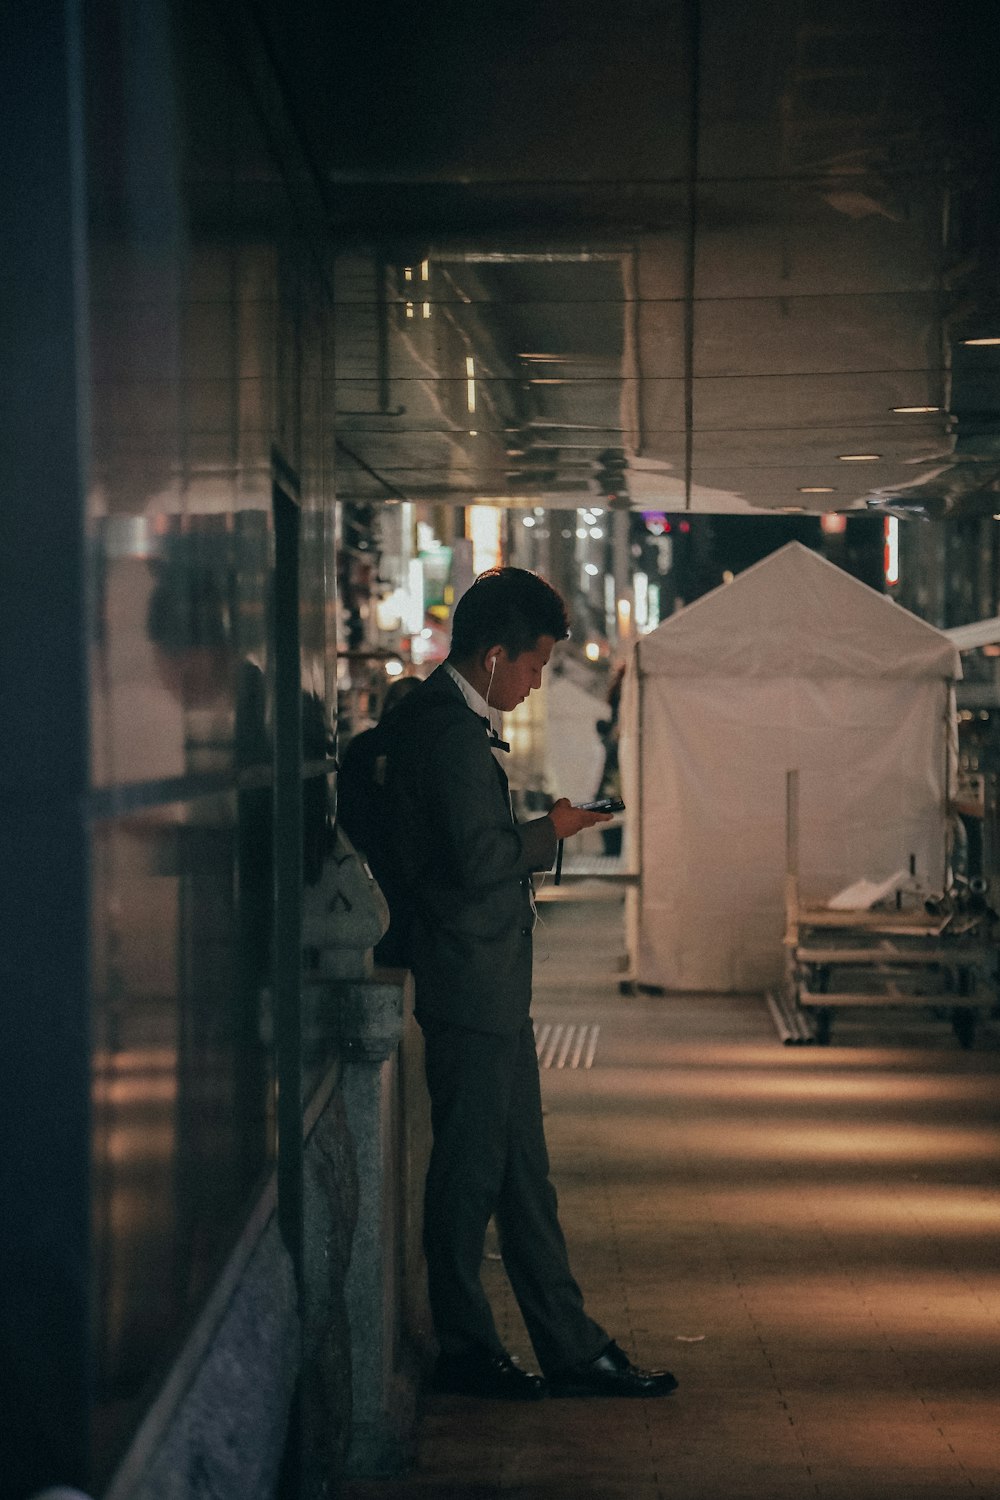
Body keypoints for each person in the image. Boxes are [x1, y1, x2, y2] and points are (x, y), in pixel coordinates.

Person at [379, 566, 678, 1400]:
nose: (538, 680)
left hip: (489, 987)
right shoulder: (445, 732)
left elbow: (467, 848)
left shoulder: (454, 727)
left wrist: (542, 826)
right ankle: (469, 1348)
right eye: (535, 664)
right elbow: (474, 861)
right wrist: (551, 830)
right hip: (468, 986)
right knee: (472, 1174)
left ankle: (571, 1347)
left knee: (521, 1178)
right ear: (493, 655)